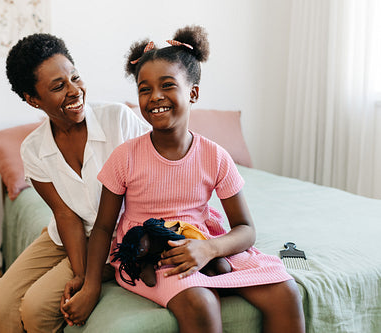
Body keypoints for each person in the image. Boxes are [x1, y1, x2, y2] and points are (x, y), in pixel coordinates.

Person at [61, 26, 306, 333]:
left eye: (167, 85)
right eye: (144, 89)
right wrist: (91, 285)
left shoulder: (215, 156)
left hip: (203, 243)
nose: (155, 97)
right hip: (152, 251)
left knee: (287, 292)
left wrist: (210, 249)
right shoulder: (125, 156)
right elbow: (103, 228)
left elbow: (246, 229)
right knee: (200, 303)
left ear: (193, 93)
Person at [0, 33, 150, 333]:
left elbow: (154, 184)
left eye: (75, 77)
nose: (75, 91)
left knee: (36, 309)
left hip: (120, 234)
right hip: (67, 234)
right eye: (59, 86)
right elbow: (65, 215)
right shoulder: (33, 149)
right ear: (33, 100)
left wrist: (90, 281)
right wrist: (83, 274)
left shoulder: (119, 119)